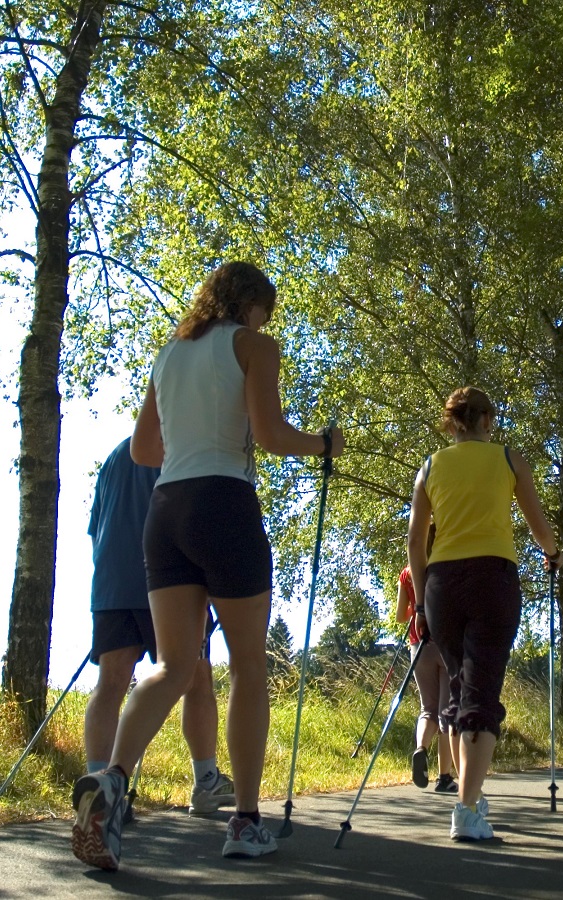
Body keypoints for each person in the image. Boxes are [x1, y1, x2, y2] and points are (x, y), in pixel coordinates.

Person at [72, 261, 344, 871]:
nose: (264, 321)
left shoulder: (170, 354)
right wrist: (324, 444)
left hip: (165, 510)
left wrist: (191, 445)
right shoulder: (255, 346)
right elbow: (271, 436)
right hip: (223, 501)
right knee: (248, 666)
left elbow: (145, 449)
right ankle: (245, 822)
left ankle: (111, 780)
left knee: (172, 666)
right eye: (263, 310)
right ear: (251, 304)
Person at [407, 387, 562, 841]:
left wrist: (418, 600)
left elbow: (416, 542)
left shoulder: (431, 466)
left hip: (441, 586)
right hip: (492, 579)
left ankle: (469, 793)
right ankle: (467, 810)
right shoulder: (509, 459)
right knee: (481, 691)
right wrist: (554, 555)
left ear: (452, 422)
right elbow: (538, 525)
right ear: (487, 420)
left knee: (458, 692)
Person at [83, 437, 233, 822]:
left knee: (110, 682)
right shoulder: (186, 447)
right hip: (170, 583)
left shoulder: (117, 455)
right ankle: (206, 781)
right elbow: (194, 522)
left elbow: (95, 527)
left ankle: (100, 785)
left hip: (113, 582)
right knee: (196, 679)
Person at [395, 525, 458, 793]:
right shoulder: (447, 567)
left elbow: (400, 616)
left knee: (427, 708)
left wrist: (415, 604)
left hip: (418, 646)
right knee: (447, 712)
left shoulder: (408, 573)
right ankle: (444, 777)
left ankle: (421, 748)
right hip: (445, 644)